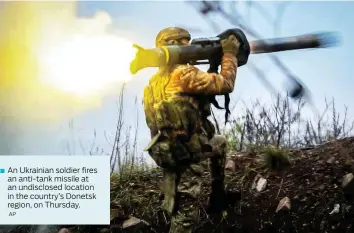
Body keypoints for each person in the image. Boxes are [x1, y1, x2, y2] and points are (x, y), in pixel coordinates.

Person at [143, 27, 240, 233]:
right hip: (190, 151)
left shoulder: (152, 83)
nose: (190, 46)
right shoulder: (184, 74)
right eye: (184, 42)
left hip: (165, 151)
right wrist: (230, 54)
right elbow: (226, 84)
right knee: (186, 210)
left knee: (220, 143)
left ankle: (218, 197)